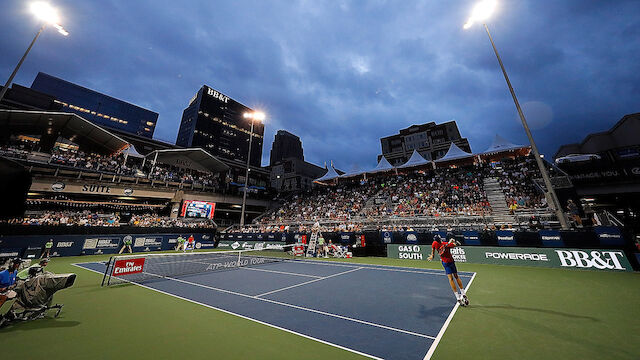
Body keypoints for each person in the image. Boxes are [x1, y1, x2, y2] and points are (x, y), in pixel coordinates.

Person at [428, 235, 469, 306]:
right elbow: (457, 244)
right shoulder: (446, 244)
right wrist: (453, 241)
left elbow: (433, 251)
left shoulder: (435, 243)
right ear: (440, 239)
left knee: (450, 279)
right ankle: (463, 293)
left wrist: (432, 256)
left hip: (445, 263)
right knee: (456, 277)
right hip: (451, 262)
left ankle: (457, 297)